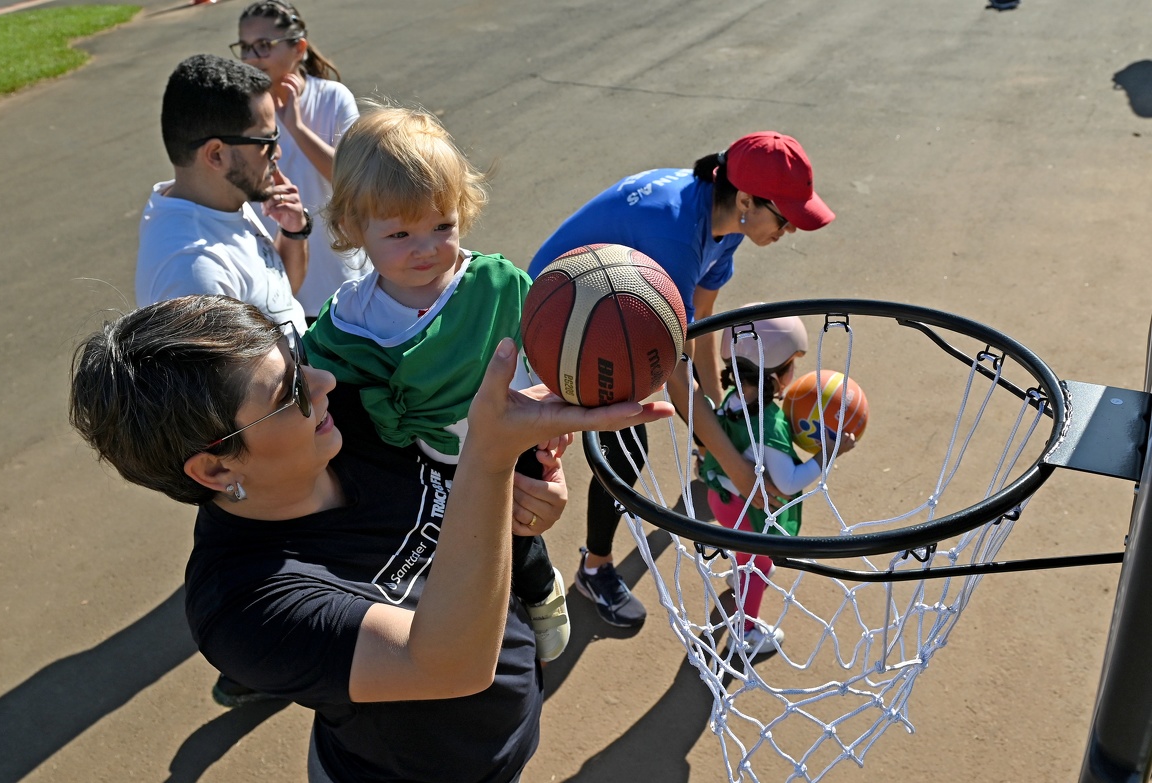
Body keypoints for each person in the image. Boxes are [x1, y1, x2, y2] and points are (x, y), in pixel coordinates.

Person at [68, 295, 673, 783]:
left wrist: (518, 483)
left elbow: (474, 488)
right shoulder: (244, 604)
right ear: (217, 469)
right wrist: (490, 461)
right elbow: (449, 664)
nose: (324, 381)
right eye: (290, 395)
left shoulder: (363, 411)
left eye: (296, 356)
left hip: (505, 739)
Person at [528, 131, 835, 628]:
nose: (790, 230)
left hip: (610, 309)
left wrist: (719, 421)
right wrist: (733, 465)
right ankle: (593, 568)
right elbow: (674, 372)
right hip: (561, 327)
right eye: (785, 217)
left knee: (656, 430)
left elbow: (701, 323)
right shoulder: (674, 235)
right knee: (624, 446)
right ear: (746, 200)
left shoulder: (725, 220)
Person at [303, 103, 571, 662]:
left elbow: (546, 365)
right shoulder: (349, 320)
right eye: (400, 232)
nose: (425, 248)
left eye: (442, 225)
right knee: (446, 553)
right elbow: (322, 385)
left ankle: (542, 588)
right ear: (354, 227)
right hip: (416, 462)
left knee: (518, 531)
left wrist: (553, 417)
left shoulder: (497, 286)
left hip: (501, 439)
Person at [699, 310, 856, 654]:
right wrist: (828, 454)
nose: (794, 373)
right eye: (791, 366)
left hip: (720, 500)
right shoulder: (770, 424)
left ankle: (739, 574)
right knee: (760, 565)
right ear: (776, 375)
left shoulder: (733, 398)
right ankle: (747, 633)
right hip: (747, 511)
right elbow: (787, 483)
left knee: (744, 555)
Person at [135, 53, 310, 335]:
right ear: (216, 154)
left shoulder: (220, 199)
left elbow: (278, 296)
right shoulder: (194, 273)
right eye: (267, 141)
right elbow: (229, 380)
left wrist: (293, 233)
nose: (277, 151)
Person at [232, 0, 370, 322]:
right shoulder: (237, 111)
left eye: (264, 46)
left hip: (342, 282)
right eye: (245, 47)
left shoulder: (332, 97)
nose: (252, 58)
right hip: (275, 289)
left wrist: (295, 126)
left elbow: (352, 179)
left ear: (298, 48)